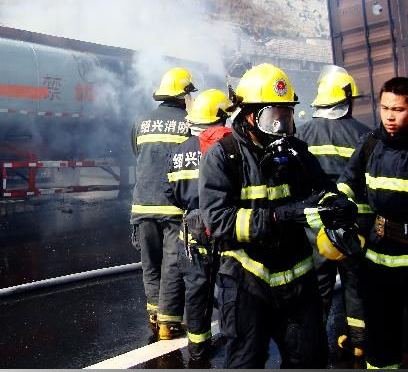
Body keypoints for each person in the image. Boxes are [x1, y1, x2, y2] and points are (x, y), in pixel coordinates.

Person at [198, 63, 357, 368]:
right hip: (248, 280)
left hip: (297, 280)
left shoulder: (296, 150)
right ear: (249, 115)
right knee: (247, 361)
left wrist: (336, 204)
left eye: (287, 115)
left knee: (309, 360)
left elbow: (320, 187)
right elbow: (218, 222)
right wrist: (277, 218)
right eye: (274, 117)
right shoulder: (223, 156)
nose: (282, 125)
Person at [295, 65, 371, 358]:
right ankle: (360, 341)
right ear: (347, 99)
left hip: (315, 228)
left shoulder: (302, 134)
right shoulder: (366, 135)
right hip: (356, 225)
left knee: (317, 288)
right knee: (356, 284)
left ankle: (312, 345)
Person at [337, 77, 408, 369]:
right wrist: (337, 205)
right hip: (379, 257)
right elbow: (348, 183)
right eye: (385, 107)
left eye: (400, 109)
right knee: (380, 340)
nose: (390, 116)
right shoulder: (371, 144)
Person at [164, 89, 232, 361]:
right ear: (219, 117)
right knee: (229, 285)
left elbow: (169, 192)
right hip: (226, 225)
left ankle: (197, 348)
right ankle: (234, 339)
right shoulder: (229, 147)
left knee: (197, 289)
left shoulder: (178, 152)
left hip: (192, 229)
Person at [130, 67, 197, 339]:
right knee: (172, 263)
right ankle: (168, 323)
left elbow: (137, 152)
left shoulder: (141, 121)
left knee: (150, 262)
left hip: (142, 205)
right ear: (183, 95)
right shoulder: (190, 122)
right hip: (174, 206)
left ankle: (154, 315)